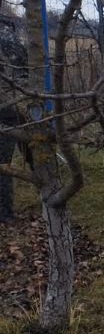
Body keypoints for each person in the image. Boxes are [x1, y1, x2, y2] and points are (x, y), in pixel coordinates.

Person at [0, 14, 28, 223]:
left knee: (3, 162)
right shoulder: (9, 35)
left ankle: (5, 213)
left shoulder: (5, 36)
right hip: (13, 104)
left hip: (7, 108)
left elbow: (22, 72)